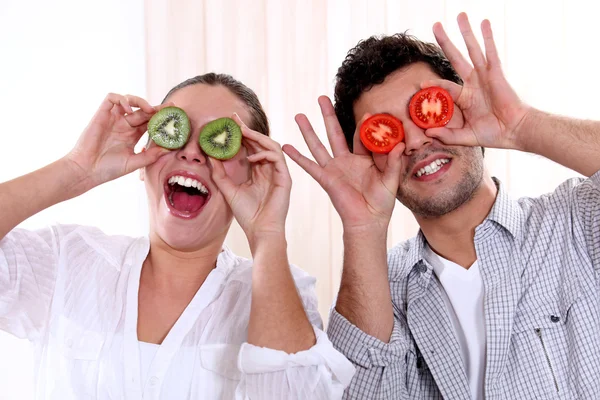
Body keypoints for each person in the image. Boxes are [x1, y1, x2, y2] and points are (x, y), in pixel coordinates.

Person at [283, 13, 600, 399]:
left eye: (428, 108)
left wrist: (521, 126)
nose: (415, 141)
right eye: (386, 131)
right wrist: (362, 228)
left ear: (468, 107)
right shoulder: (382, 294)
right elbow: (355, 392)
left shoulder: (575, 222)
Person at [0, 72, 354, 399]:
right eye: (176, 131)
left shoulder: (281, 289)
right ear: (145, 160)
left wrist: (267, 233)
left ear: (253, 173)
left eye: (219, 141)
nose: (191, 152)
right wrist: (76, 170)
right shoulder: (67, 260)